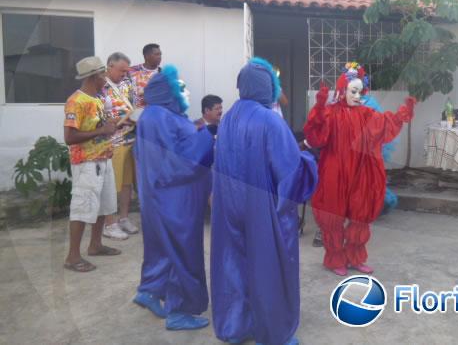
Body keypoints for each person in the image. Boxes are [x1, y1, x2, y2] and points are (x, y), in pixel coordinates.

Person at [211, 57, 318, 345]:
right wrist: (309, 159)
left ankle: (235, 326)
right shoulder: (270, 119)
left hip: (230, 204)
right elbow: (290, 172)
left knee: (234, 262)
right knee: (269, 265)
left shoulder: (229, 116)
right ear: (268, 86)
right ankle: (273, 333)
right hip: (262, 206)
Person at [304, 62, 415, 276]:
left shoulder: (366, 113)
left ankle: (355, 257)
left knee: (359, 216)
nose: (357, 96)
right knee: (334, 217)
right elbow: (315, 137)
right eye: (353, 91)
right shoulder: (330, 114)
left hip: (361, 172)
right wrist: (318, 110)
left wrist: (402, 114)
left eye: (360, 92)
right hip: (335, 171)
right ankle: (335, 259)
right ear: (342, 90)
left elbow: (384, 124)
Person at [133, 65, 215, 330]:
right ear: (166, 90)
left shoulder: (158, 115)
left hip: (161, 196)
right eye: (181, 87)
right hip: (175, 199)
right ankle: (180, 311)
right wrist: (208, 138)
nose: (187, 91)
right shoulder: (161, 117)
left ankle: (150, 291)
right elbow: (177, 163)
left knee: (161, 248)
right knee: (182, 251)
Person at [63, 56, 120, 272]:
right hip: (85, 162)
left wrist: (110, 125)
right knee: (81, 208)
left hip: (103, 158)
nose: (106, 78)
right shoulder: (76, 101)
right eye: (104, 74)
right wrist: (102, 130)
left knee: (103, 206)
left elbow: (99, 126)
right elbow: (69, 137)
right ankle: (72, 257)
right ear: (95, 76)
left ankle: (95, 245)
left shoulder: (97, 99)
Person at [101, 52, 139, 240]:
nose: (125, 74)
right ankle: (109, 223)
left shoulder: (126, 84)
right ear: (109, 66)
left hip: (129, 139)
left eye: (127, 71)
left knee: (126, 183)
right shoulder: (100, 87)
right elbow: (95, 117)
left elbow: (134, 105)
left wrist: (135, 115)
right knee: (110, 184)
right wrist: (115, 120)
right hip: (109, 143)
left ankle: (123, 217)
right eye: (121, 71)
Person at [129, 43, 162, 108]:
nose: (159, 57)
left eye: (160, 54)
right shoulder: (131, 71)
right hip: (135, 114)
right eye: (156, 54)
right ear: (146, 56)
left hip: (155, 112)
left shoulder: (162, 74)